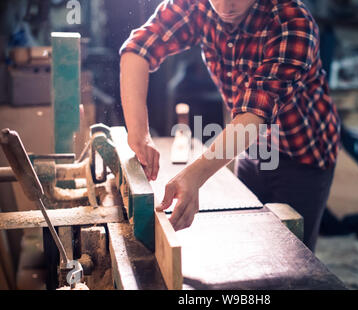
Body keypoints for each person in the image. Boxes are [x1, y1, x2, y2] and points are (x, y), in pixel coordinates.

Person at [120, 0, 340, 252]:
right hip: (251, 146)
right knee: (248, 243)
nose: (226, 5)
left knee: (292, 256)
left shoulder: (291, 19)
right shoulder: (196, 5)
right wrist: (139, 132)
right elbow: (137, 49)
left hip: (303, 154)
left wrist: (194, 176)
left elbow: (256, 112)